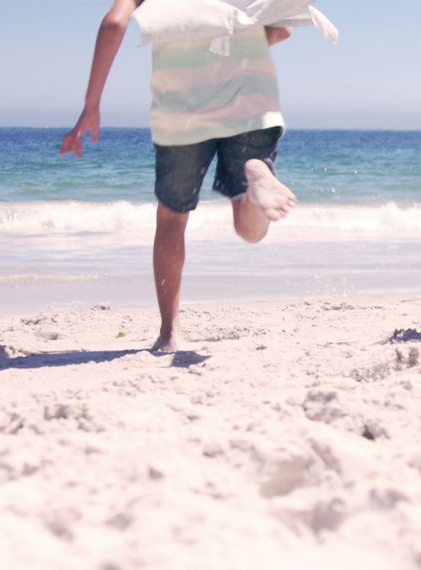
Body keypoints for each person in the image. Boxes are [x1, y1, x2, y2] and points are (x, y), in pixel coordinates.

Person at [60, 0, 297, 352]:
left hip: (181, 112)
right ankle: (254, 174)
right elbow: (282, 28)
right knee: (249, 229)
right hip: (249, 103)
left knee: (172, 218)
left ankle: (170, 333)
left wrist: (91, 104)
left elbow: (113, 24)